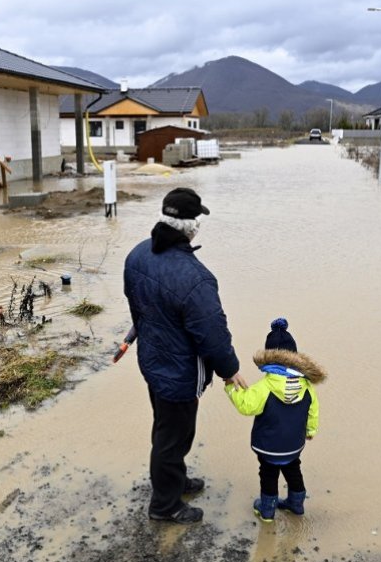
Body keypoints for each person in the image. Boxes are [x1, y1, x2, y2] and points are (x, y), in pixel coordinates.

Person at [124, 187, 247, 524]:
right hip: (179, 374)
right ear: (191, 227)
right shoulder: (195, 278)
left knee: (166, 429)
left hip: (151, 361)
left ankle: (174, 481)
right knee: (173, 437)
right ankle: (165, 506)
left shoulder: (137, 255)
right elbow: (212, 333)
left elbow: (137, 307)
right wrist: (230, 369)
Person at [224, 318, 325, 522]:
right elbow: (313, 411)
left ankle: (267, 511)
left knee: (268, 474)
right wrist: (311, 431)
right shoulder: (307, 387)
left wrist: (229, 388)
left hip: (268, 445)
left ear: (268, 358)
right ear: (296, 358)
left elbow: (246, 406)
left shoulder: (265, 387)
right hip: (294, 444)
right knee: (293, 469)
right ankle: (296, 505)